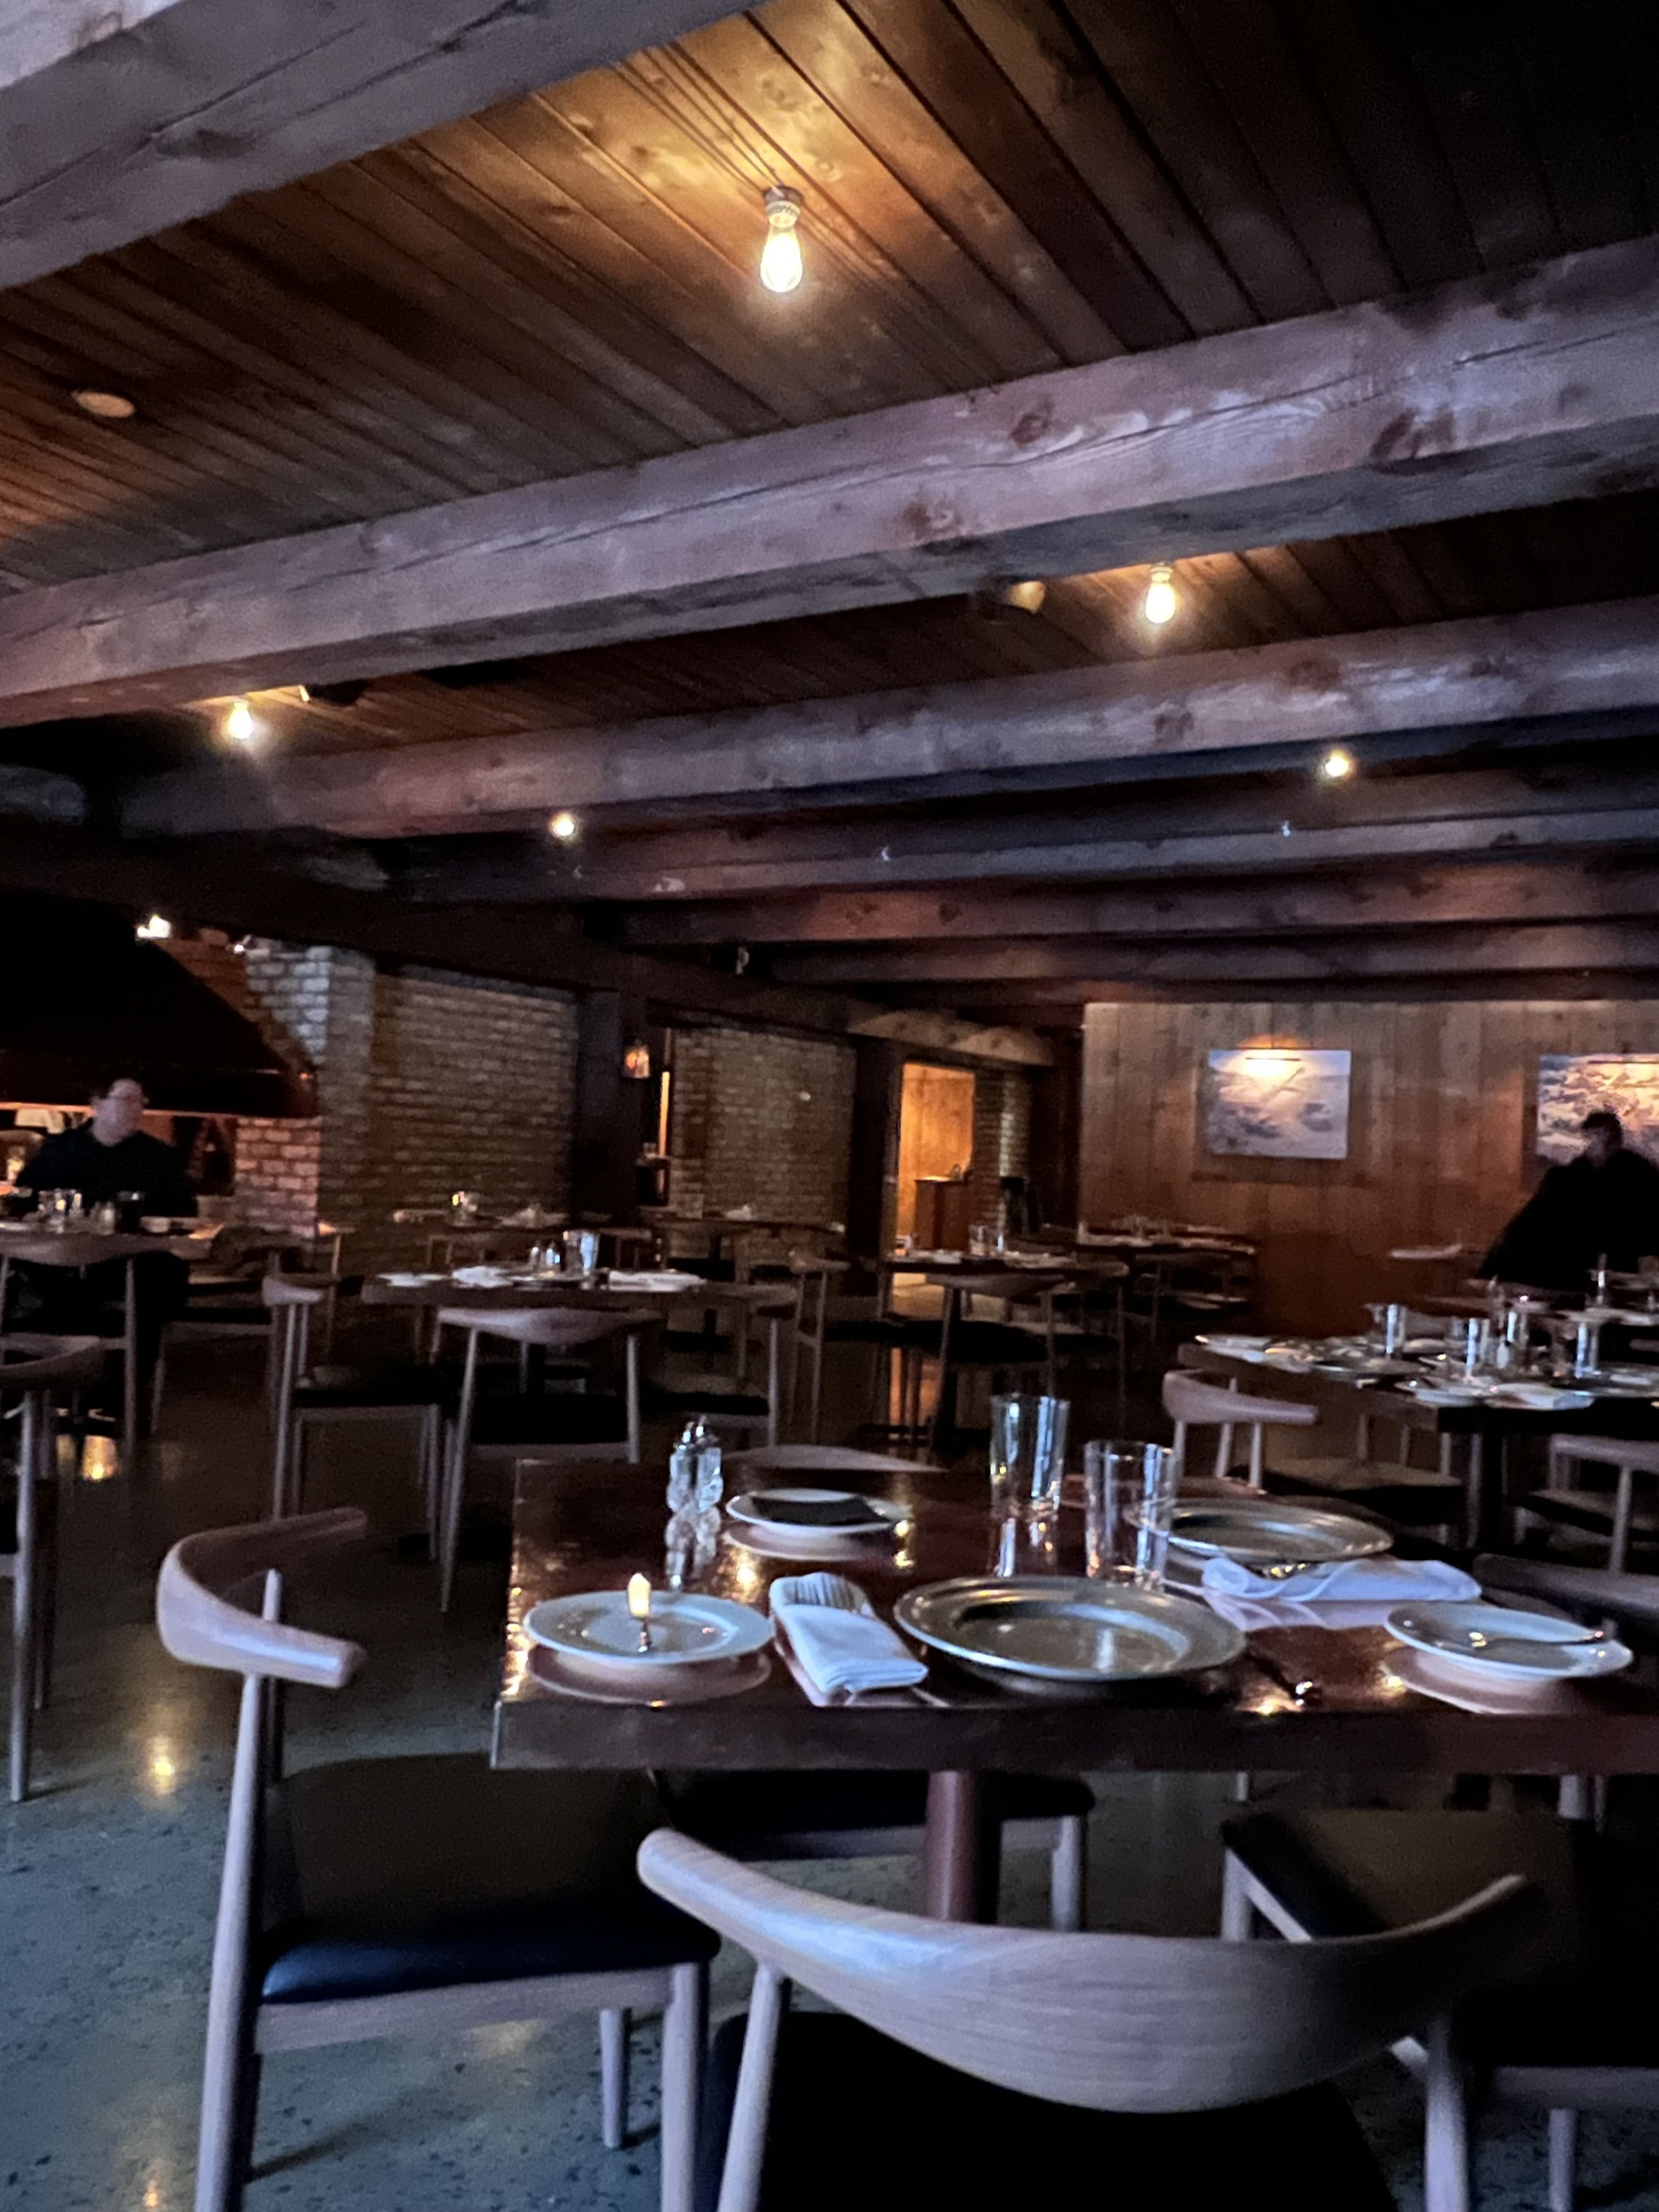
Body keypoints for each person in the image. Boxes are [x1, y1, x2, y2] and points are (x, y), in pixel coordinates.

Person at [10, 1073, 198, 1390]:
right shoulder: (60, 1150)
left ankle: (125, 1393)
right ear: (97, 1104)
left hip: (128, 1264)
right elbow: (22, 1198)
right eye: (127, 1100)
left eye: (140, 1102)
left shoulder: (158, 1157)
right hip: (59, 1263)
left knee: (157, 1282)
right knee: (20, 1283)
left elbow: (185, 1213)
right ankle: (33, 1383)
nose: (136, 1109)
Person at [1480, 1109, 1659, 1292]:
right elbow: (1533, 1219)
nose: (1593, 1142)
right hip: (1571, 1262)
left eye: (1600, 1135)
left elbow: (1649, 1220)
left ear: (1614, 1139)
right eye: (1591, 1135)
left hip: (1617, 1261)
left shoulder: (1638, 1174)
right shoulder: (1570, 1175)